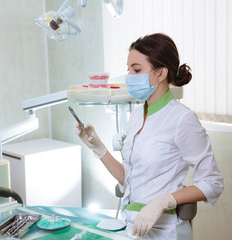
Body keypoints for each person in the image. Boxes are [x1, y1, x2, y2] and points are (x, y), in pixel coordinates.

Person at [76, 33, 224, 239]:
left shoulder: (182, 119)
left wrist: (164, 200)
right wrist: (99, 148)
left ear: (161, 73)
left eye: (136, 70)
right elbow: (129, 179)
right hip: (133, 226)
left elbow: (212, 182)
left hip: (166, 231)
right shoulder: (137, 116)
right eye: (128, 69)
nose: (129, 76)